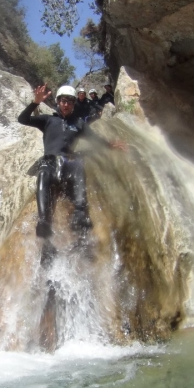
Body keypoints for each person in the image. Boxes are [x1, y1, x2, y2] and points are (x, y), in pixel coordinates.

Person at [18, 84, 117, 260]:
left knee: (78, 162)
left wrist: (110, 145)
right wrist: (35, 102)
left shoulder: (78, 124)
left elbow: (95, 140)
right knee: (45, 169)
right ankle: (44, 224)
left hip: (69, 163)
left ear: (73, 104)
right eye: (63, 101)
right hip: (51, 162)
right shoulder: (48, 120)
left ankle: (80, 216)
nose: (66, 104)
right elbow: (22, 119)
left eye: (70, 101)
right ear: (58, 102)